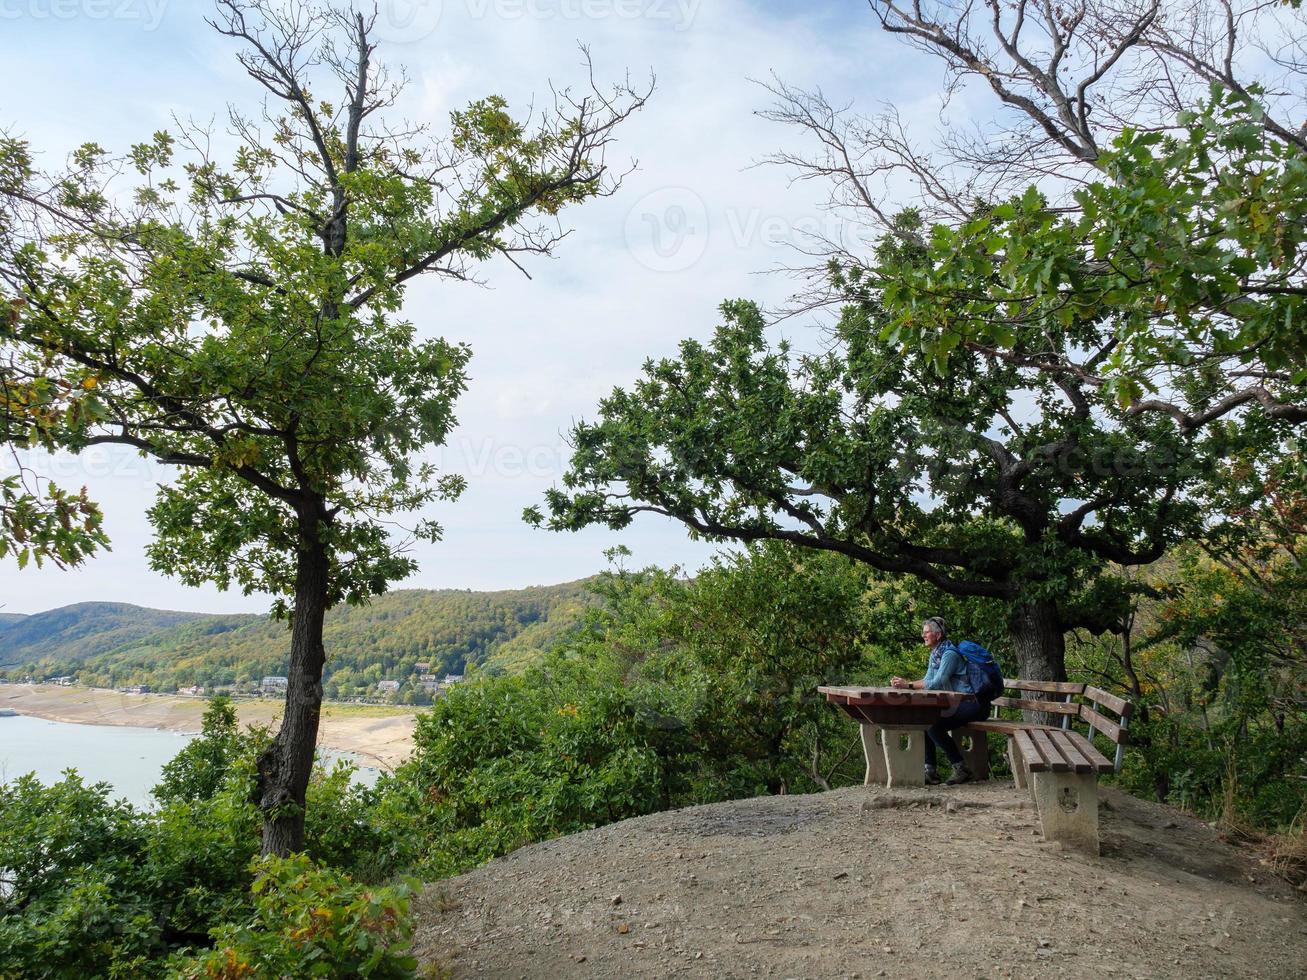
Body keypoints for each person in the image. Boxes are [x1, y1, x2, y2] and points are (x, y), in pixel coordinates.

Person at [890, 616, 987, 785]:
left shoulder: (949, 654)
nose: (923, 635)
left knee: (933, 725)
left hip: (973, 704)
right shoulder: (936, 654)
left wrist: (909, 685)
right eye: (923, 632)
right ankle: (930, 771)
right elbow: (928, 679)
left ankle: (961, 769)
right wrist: (907, 685)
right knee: (926, 721)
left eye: (926, 632)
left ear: (938, 634)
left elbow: (937, 682)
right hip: (959, 704)